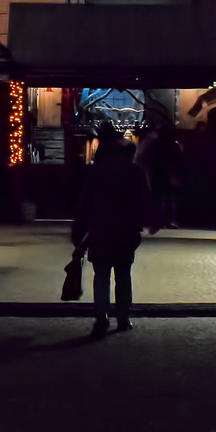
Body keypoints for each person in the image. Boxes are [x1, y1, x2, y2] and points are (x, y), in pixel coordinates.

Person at [72, 129, 159, 339]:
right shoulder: (136, 171)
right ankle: (122, 318)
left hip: (100, 229)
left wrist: (78, 231)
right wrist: (153, 221)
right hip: (125, 230)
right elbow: (145, 199)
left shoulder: (97, 171)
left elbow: (85, 202)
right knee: (123, 275)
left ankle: (101, 319)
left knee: (101, 276)